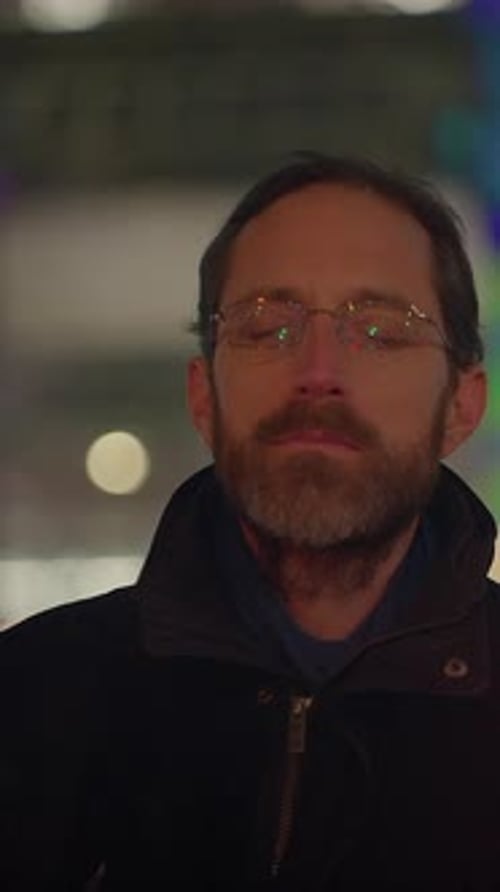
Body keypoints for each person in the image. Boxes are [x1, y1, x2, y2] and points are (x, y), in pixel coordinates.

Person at [2, 152, 500, 892]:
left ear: (462, 406)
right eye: (267, 327)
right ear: (204, 398)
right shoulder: (29, 700)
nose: (318, 369)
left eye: (382, 330)